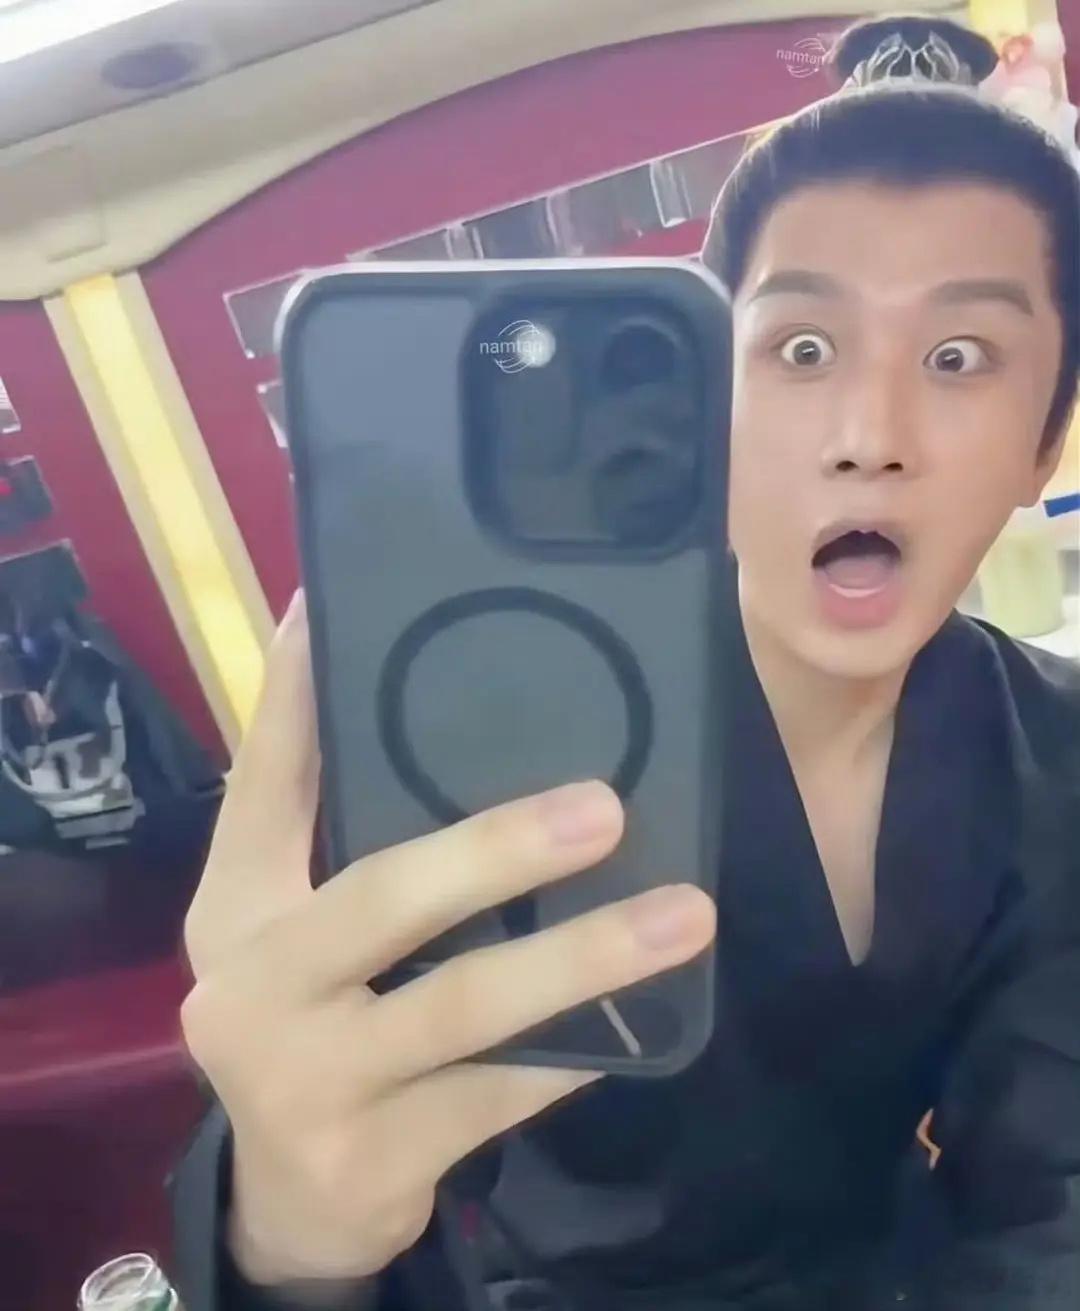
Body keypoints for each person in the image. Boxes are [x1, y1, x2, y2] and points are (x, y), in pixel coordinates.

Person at [167, 15, 1080, 1311]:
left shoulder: (1057, 753)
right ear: (709, 401)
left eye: (958, 357)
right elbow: (369, 1141)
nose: (868, 435)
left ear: (1045, 446)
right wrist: (290, 1250)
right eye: (803, 348)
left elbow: (1054, 1205)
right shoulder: (510, 735)